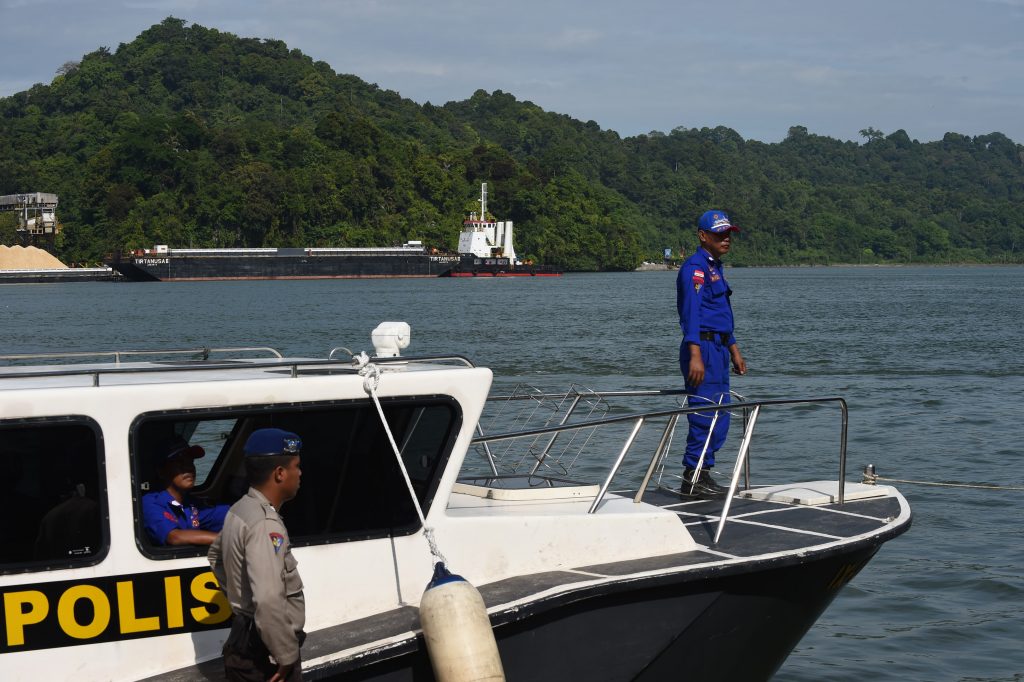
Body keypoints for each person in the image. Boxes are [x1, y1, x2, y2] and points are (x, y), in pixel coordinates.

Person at [209, 428, 305, 682]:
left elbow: (215, 557)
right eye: (296, 466)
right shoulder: (265, 524)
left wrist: (240, 600)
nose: (300, 473)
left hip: (242, 639)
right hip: (263, 655)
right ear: (280, 473)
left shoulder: (239, 509)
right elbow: (268, 597)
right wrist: (285, 656)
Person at [676, 209, 747, 496]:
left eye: (728, 234)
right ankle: (692, 476)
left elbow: (721, 314)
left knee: (721, 415)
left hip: (718, 347)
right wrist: (695, 353)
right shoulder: (694, 268)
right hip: (701, 348)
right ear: (703, 236)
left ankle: (703, 473)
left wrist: (734, 350)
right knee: (704, 413)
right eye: (719, 234)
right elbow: (690, 314)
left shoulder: (715, 268)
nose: (726, 239)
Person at [142, 436, 229, 546]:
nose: (188, 467)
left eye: (190, 461)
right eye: (179, 462)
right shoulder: (150, 503)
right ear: (161, 471)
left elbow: (229, 516)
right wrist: (234, 541)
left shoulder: (190, 503)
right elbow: (175, 537)